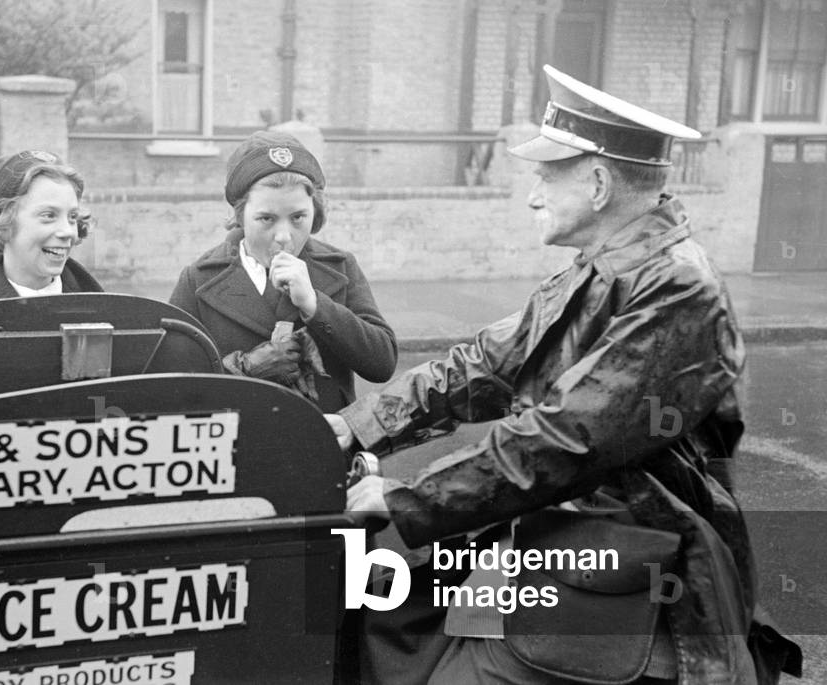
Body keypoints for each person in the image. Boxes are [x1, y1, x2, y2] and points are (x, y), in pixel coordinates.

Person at [328, 65, 800, 684]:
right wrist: (355, 425)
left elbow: (569, 437)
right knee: (382, 609)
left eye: (547, 176)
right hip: (564, 530)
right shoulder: (598, 269)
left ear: (599, 184)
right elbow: (485, 365)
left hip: (635, 555)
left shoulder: (679, 287)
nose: (533, 195)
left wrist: (409, 499)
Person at [170, 130, 397, 412]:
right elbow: (170, 385)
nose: (283, 237)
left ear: (315, 211)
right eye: (266, 218)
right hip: (240, 436)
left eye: (298, 217)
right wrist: (245, 369)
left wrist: (315, 305)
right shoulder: (199, 279)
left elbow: (382, 364)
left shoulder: (340, 267)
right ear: (240, 215)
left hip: (321, 434)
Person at [0, 150, 103, 305]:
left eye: (72, 217)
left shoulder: (102, 308)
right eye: (49, 215)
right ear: (4, 223)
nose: (68, 232)